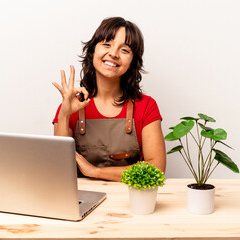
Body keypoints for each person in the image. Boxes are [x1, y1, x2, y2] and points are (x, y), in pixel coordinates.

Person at [52, 17, 166, 181]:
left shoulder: (146, 106)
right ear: (92, 52)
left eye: (125, 50)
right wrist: (64, 115)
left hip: (133, 200)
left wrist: (94, 171)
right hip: (81, 200)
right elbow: (58, 168)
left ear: (132, 62)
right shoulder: (71, 106)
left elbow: (157, 168)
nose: (113, 53)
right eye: (107, 44)